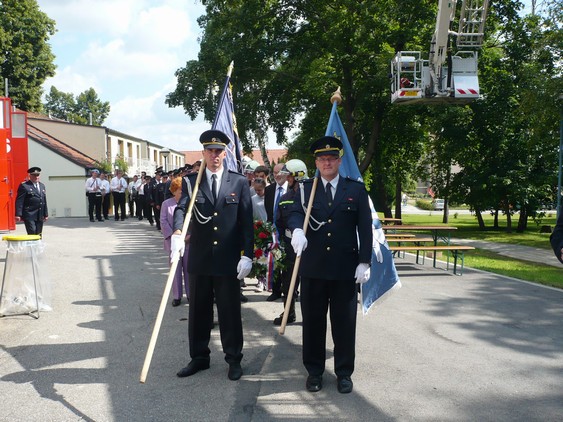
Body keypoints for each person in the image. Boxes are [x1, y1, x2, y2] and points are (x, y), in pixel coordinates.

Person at [288, 136, 372, 394]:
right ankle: (314, 372)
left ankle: (344, 373)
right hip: (313, 269)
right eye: (322, 158)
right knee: (312, 324)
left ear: (339, 160)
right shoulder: (305, 189)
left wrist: (364, 261)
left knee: (344, 325)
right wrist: (295, 231)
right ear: (316, 162)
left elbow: (365, 229)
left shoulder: (355, 189)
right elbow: (293, 213)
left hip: (344, 270)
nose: (327, 162)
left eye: (332, 158)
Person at [171, 129, 253, 381]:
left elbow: (246, 222)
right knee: (198, 311)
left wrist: (247, 254)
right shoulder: (191, 181)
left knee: (230, 312)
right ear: (203, 153)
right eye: (210, 151)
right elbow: (182, 208)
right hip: (200, 258)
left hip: (227, 260)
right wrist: (177, 232)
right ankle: (199, 357)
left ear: (225, 153)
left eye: (218, 151)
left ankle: (233, 359)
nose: (214, 155)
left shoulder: (238, 182)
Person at [273, 159, 308, 325]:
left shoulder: (312, 195)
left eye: (289, 177)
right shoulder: (285, 198)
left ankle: (310, 315)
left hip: (309, 246)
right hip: (289, 244)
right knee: (287, 283)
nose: (287, 179)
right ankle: (288, 313)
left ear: (299, 176)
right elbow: (279, 222)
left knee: (309, 284)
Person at [160, 177, 189, 306]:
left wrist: (189, 236)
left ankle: (190, 294)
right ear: (174, 191)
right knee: (175, 270)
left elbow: (193, 221)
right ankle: (177, 296)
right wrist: (173, 237)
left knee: (188, 270)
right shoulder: (167, 204)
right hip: (173, 243)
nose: (182, 193)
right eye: (180, 190)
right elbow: (163, 221)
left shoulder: (189, 203)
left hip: (189, 242)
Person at [263, 163, 288, 301]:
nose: (277, 175)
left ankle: (290, 291)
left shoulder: (292, 188)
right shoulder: (270, 190)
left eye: (280, 172)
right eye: (274, 172)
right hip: (273, 232)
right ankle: (276, 290)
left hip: (288, 231)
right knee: (274, 261)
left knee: (288, 263)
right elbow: (268, 211)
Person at [15, 166, 49, 236]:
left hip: (40, 213)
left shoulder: (42, 186)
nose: (36, 177)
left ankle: (38, 246)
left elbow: (44, 200)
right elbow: (19, 201)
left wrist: (45, 214)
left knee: (39, 233)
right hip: (29, 214)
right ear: (30, 176)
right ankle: (32, 247)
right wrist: (18, 214)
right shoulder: (25, 186)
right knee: (32, 232)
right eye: (34, 175)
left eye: (38, 175)